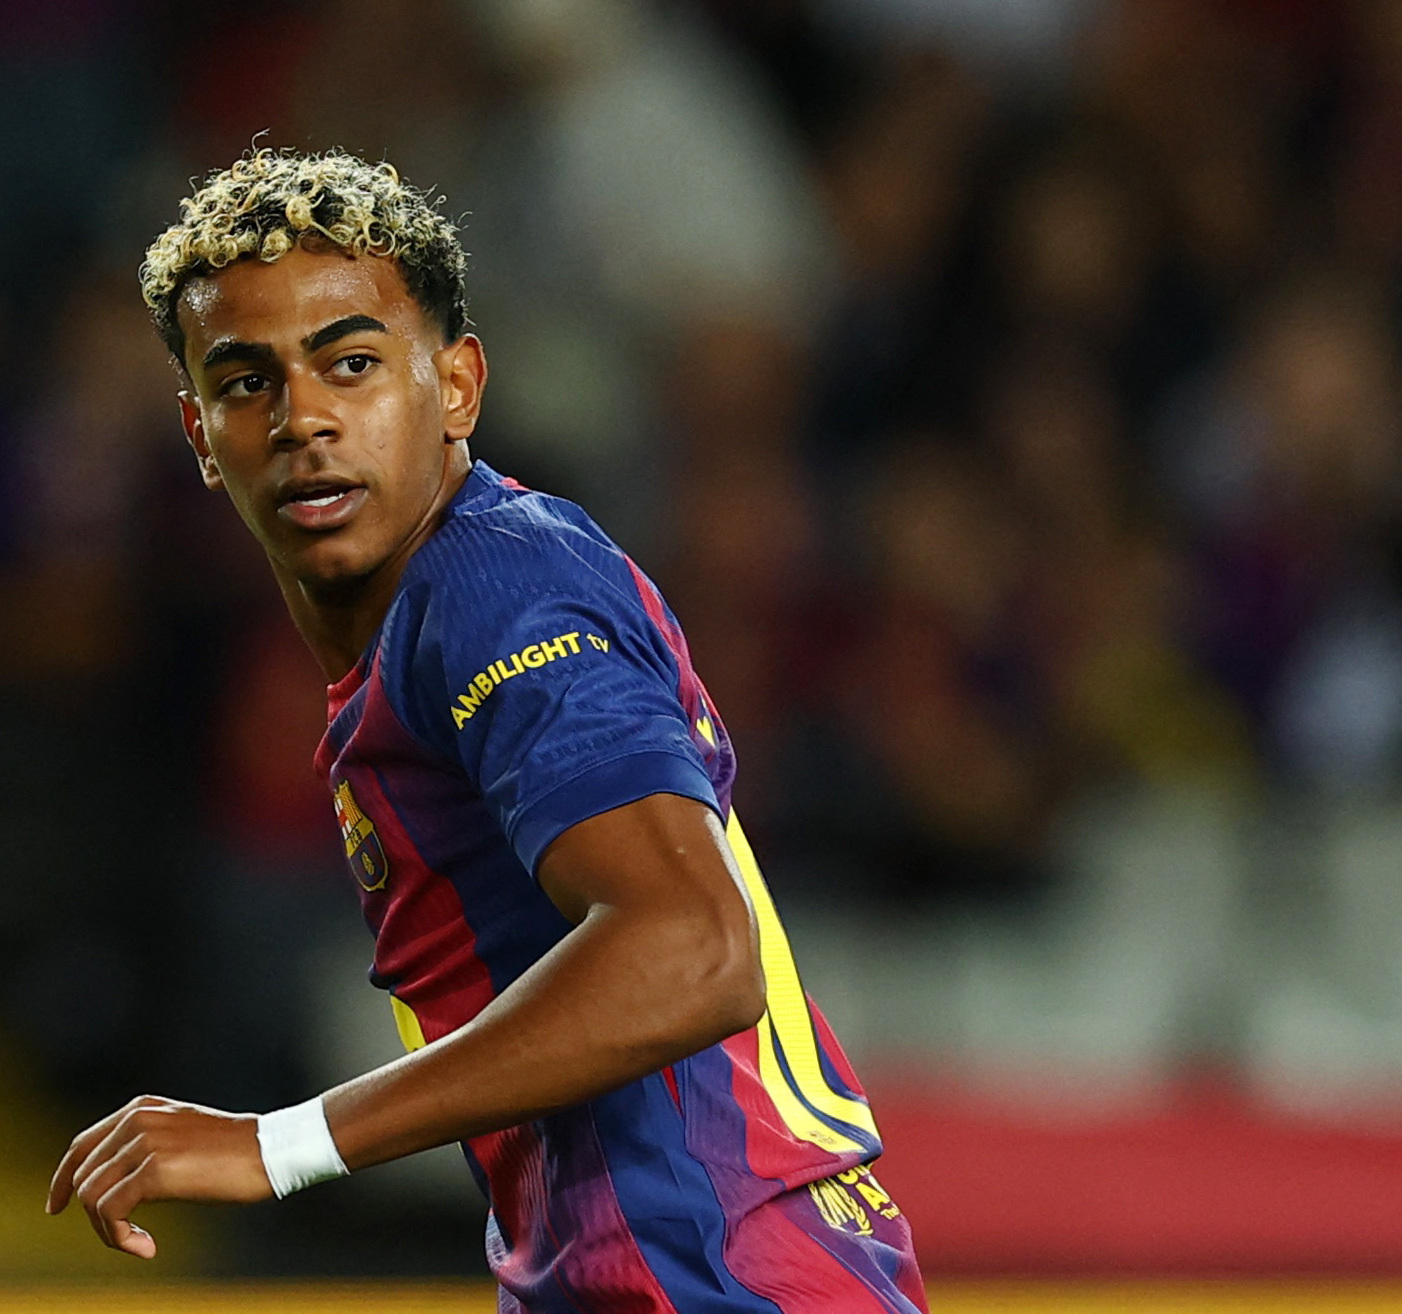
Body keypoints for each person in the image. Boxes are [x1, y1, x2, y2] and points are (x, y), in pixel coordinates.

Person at [46, 149, 928, 1313]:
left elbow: (690, 948)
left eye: (351, 364)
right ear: (202, 437)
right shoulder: (421, 628)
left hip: (718, 1279)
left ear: (457, 386)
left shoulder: (493, 590)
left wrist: (281, 1145)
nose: (303, 416)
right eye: (246, 381)